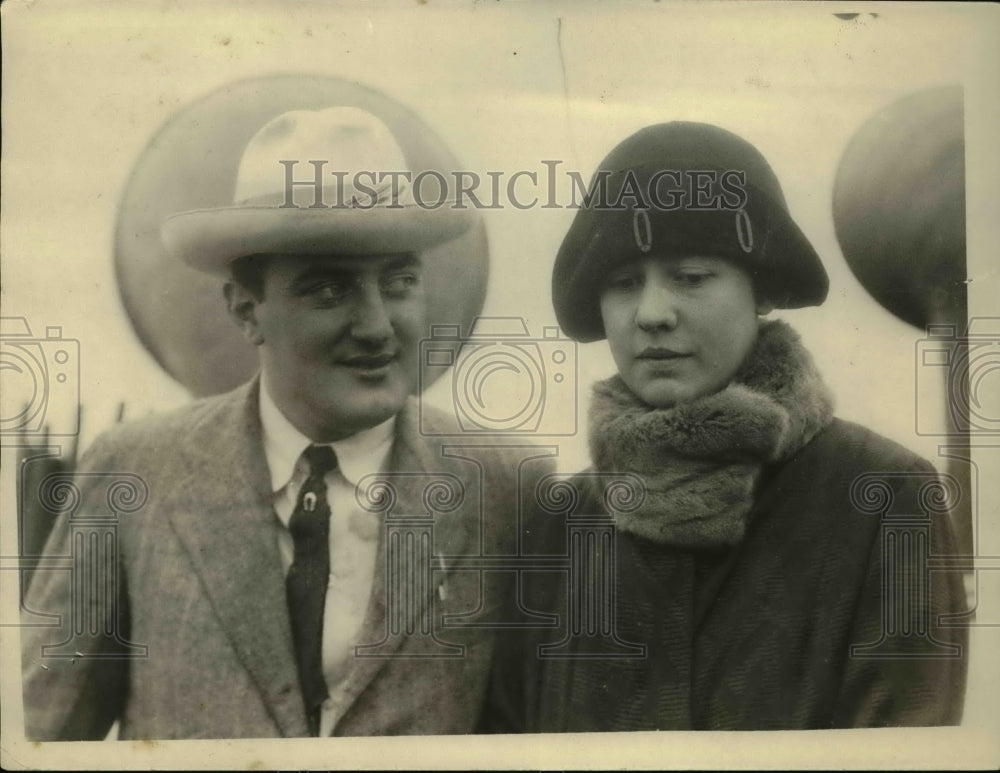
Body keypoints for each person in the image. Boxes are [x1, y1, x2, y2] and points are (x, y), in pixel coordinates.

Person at [21, 106, 549, 739]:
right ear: (246, 309)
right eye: (330, 290)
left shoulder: (509, 486)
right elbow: (40, 738)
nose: (378, 326)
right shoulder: (130, 475)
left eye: (400, 282)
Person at [485, 121, 968, 731]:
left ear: (760, 290)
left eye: (691, 277)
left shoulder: (884, 498)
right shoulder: (560, 522)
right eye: (624, 283)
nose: (653, 313)